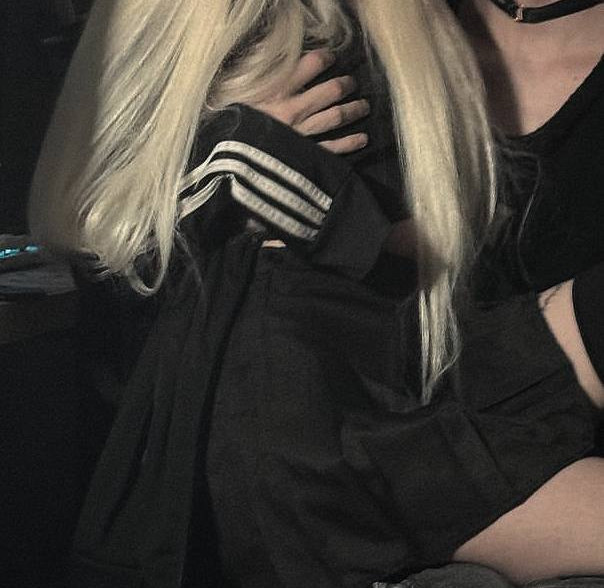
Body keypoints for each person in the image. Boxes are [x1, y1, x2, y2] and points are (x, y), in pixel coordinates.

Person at [27, 0, 603, 586]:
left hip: (405, 381)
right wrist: (243, 160)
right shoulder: (242, 67)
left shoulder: (395, 30)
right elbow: (111, 216)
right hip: (328, 440)